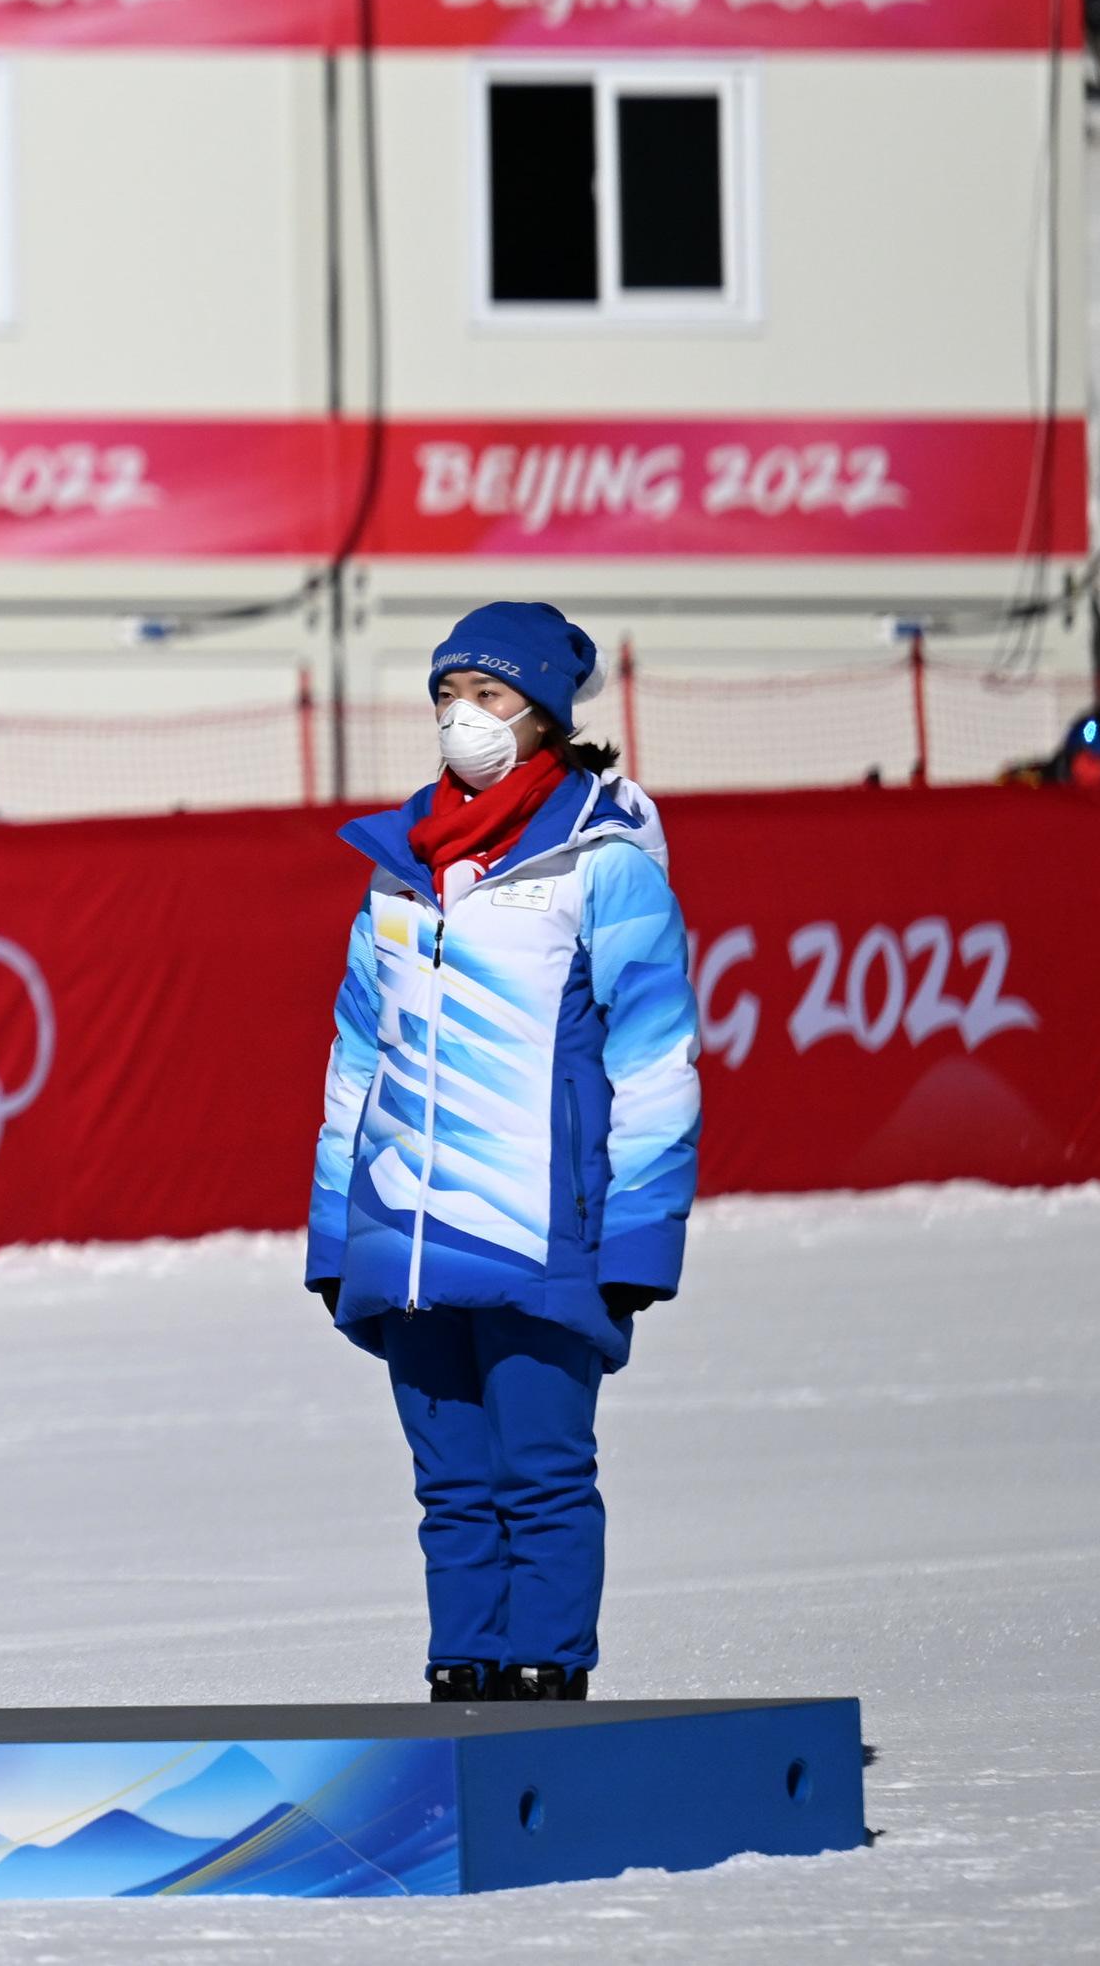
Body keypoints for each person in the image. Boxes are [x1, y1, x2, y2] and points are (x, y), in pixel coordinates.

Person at [308, 601, 698, 1704]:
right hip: (406, 1232)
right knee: (448, 1486)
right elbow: (352, 1062)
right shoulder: (395, 869)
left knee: (538, 1472)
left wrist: (638, 1233)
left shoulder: (600, 863)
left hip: (539, 1229)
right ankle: (464, 1678)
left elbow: (656, 1060)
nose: (459, 718)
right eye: (444, 695)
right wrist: (336, 1226)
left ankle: (547, 1680)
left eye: (485, 696)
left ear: (543, 715)